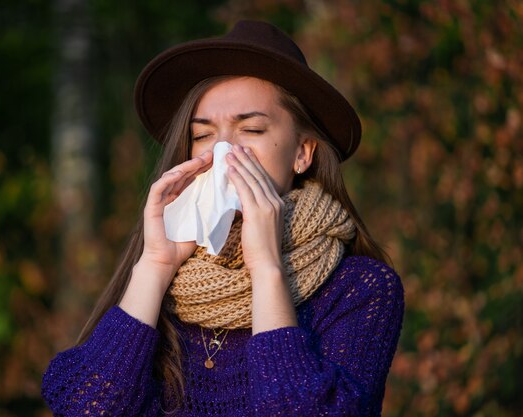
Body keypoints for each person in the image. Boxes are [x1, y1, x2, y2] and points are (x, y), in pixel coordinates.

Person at [42, 20, 404, 417]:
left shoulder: (360, 289)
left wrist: (267, 268)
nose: (224, 154)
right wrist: (155, 266)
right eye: (203, 135)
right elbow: (84, 408)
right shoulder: (161, 288)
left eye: (250, 129)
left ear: (303, 153)